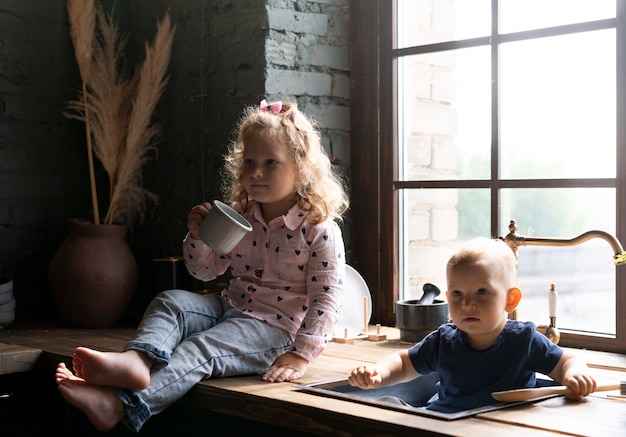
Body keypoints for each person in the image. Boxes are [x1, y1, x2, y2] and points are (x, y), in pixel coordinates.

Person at [55, 99, 350, 432]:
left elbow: (328, 298)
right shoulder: (240, 216)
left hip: (276, 330)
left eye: (271, 163)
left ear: (301, 168)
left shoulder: (318, 229)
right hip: (229, 307)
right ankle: (137, 361)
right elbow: (204, 271)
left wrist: (302, 354)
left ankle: (118, 405)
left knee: (200, 349)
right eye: (250, 161)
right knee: (172, 301)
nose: (256, 171)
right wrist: (197, 237)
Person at [348, 238, 597, 413]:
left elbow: (566, 361)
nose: (467, 304)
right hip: (443, 422)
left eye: (481, 291)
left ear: (510, 299)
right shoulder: (442, 341)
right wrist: (377, 372)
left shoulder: (524, 342)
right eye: (457, 293)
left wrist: (574, 374)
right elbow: (404, 363)